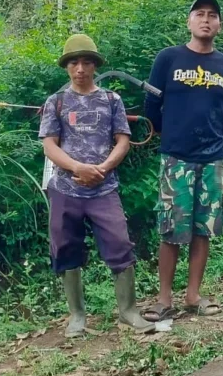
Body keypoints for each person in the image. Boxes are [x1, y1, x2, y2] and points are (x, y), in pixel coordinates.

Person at [39, 34, 156, 338]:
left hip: (104, 188)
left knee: (119, 244)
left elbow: (123, 140)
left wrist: (102, 169)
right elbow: (49, 146)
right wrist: (77, 167)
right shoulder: (57, 101)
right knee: (65, 248)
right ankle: (77, 316)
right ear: (67, 66)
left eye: (86, 62)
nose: (80, 68)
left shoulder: (111, 100)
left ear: (95, 65)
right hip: (65, 189)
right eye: (74, 62)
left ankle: (129, 312)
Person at [141, 0, 223, 321]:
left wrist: (214, 138)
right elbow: (150, 108)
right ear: (189, 21)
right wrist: (166, 132)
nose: (206, 19)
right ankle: (164, 299)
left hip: (213, 158)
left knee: (203, 229)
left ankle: (193, 295)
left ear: (219, 24)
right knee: (171, 229)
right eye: (200, 14)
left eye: (213, 15)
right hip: (176, 157)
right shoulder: (168, 59)